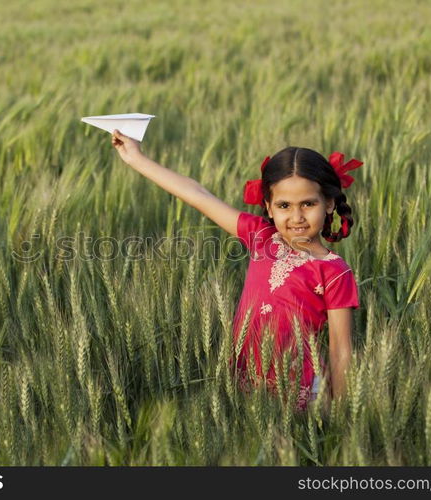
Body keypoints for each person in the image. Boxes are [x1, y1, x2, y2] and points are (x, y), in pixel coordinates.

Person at [111, 129, 361, 412]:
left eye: (308, 204)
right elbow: (199, 194)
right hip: (244, 383)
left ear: (328, 203)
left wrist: (342, 418)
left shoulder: (335, 272)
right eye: (283, 205)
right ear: (267, 206)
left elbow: (341, 351)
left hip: (299, 395)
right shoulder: (261, 238)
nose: (296, 217)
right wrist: (136, 159)